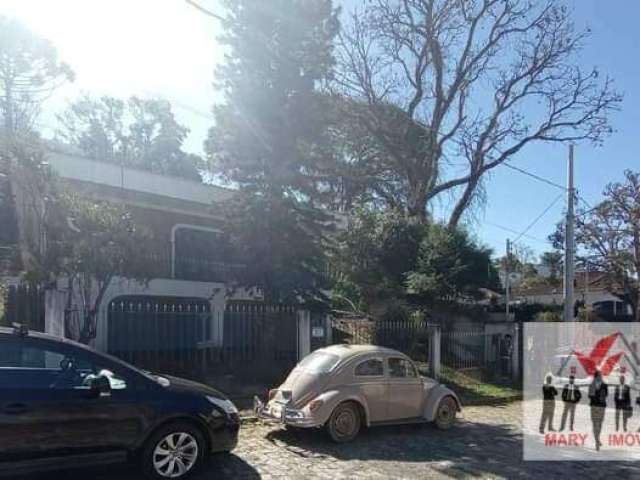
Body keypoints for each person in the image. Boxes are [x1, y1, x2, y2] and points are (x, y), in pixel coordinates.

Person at [589, 370, 608, 451]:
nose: (601, 377)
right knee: (594, 423)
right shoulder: (591, 385)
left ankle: (597, 438)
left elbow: (606, 394)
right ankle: (597, 441)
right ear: (596, 376)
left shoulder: (604, 385)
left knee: (599, 423)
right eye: (600, 375)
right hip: (594, 406)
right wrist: (596, 397)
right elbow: (589, 395)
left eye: (601, 375)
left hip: (601, 406)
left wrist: (600, 397)